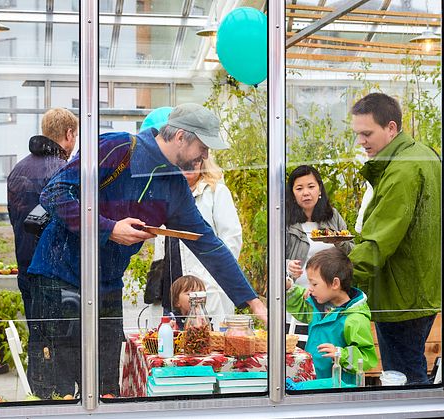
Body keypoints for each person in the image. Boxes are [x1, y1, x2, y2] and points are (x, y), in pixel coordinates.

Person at [27, 102, 267, 398]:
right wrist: (109, 228)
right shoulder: (116, 148)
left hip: (107, 284)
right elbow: (54, 193)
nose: (205, 156)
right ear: (181, 137)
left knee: (106, 389)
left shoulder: (175, 187)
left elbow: (208, 244)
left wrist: (253, 303)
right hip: (58, 274)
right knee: (57, 387)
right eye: (203, 146)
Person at [347, 93, 444, 384]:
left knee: (403, 379)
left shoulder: (402, 170)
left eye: (367, 133)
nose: (361, 142)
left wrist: (339, 276)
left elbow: (381, 240)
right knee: (413, 369)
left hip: (402, 292)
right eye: (358, 134)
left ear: (391, 128)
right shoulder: (422, 154)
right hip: (422, 285)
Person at [153, 156, 242, 329]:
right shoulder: (165, 195)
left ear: (203, 163)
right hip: (172, 285)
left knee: (207, 346)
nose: (188, 166)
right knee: (172, 345)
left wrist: (211, 281)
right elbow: (161, 244)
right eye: (181, 162)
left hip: (206, 287)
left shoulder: (216, 192)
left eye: (194, 161)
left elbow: (232, 241)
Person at [7, 108, 78, 319]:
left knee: (37, 341)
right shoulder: (64, 172)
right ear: (68, 134)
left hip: (25, 266)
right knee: (60, 344)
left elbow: (16, 218)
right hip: (56, 271)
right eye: (75, 135)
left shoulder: (17, 169)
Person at [285, 248, 377, 385]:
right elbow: (298, 303)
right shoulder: (317, 304)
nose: (310, 288)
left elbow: (366, 357)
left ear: (335, 283)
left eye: (314, 284)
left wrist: (340, 354)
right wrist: (287, 287)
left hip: (338, 389)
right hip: (313, 382)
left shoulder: (354, 318)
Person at [285, 165, 353, 288]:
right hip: (297, 298)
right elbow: (271, 260)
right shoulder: (285, 221)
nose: (306, 193)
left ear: (320, 189)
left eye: (311, 187)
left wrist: (339, 242)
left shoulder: (333, 216)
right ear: (292, 194)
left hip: (332, 297)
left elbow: (352, 253)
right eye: (299, 188)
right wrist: (288, 265)